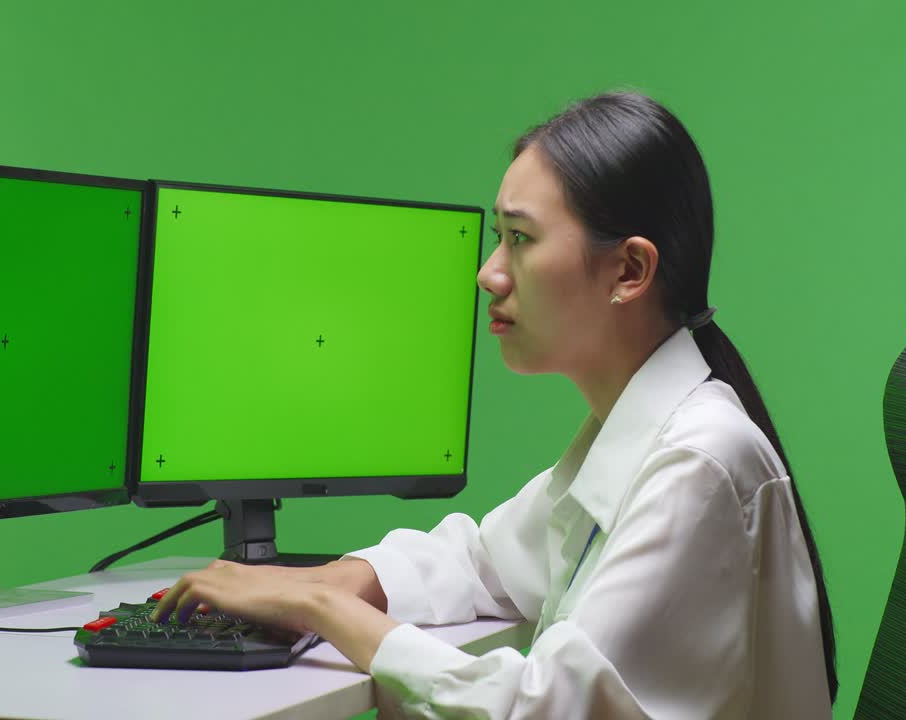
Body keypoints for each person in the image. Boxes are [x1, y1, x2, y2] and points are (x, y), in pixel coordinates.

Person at [151, 91, 838, 719]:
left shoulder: (699, 463)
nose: (488, 272)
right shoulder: (638, 431)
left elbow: (543, 711)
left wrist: (321, 606)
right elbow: (489, 560)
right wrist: (338, 579)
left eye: (520, 237)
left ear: (629, 271)